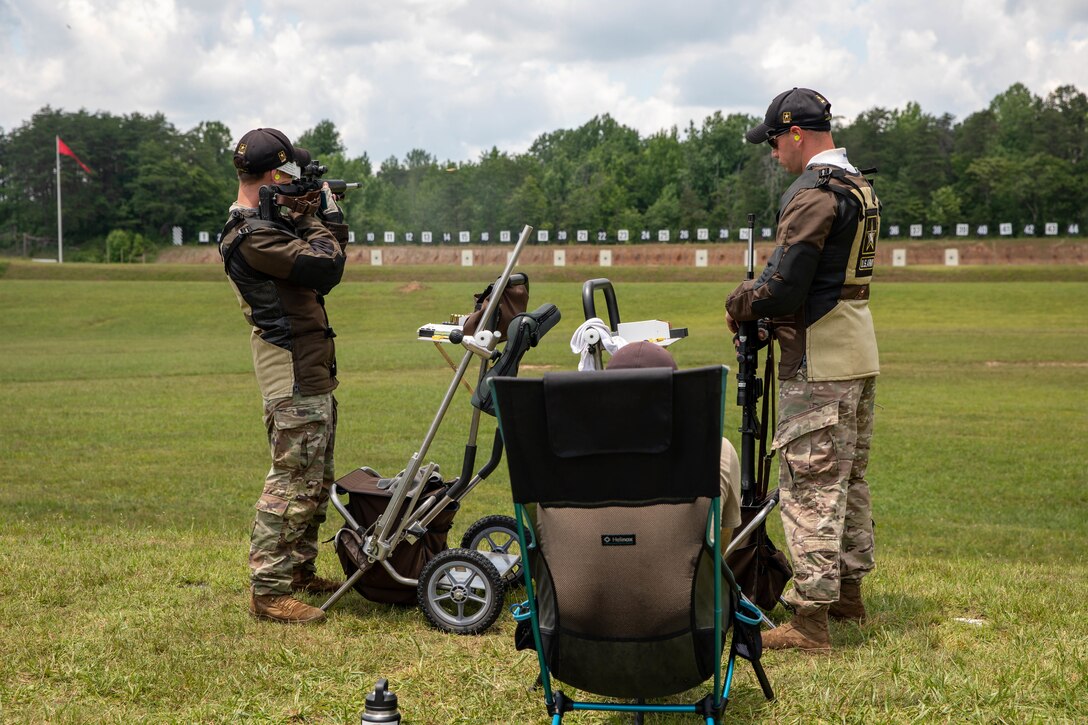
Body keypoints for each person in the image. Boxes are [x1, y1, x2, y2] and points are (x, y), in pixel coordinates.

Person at [725, 88, 880, 652]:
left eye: (773, 140)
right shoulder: (860, 185)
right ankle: (847, 595)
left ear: (795, 133)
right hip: (857, 349)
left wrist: (742, 301)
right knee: (848, 481)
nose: (772, 153)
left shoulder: (815, 193)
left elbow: (784, 283)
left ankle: (811, 621)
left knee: (810, 485)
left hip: (818, 359)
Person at [219, 127, 350, 624]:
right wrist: (318, 216)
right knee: (292, 481)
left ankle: (297, 572)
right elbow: (327, 268)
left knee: (316, 479)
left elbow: (319, 269)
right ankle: (269, 591)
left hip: (309, 369)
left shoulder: (271, 224)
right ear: (274, 175)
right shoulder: (253, 234)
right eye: (288, 173)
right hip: (290, 372)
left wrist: (309, 214)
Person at [605, 342, 742, 542]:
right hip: (686, 572)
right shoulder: (716, 448)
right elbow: (720, 545)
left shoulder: (568, 453)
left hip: (579, 573)